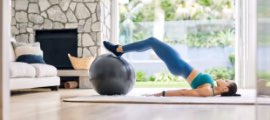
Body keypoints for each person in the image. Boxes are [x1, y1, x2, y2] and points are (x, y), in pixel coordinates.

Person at [103, 37, 240, 97]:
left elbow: (183, 92)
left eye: (227, 81)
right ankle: (120, 49)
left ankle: (119, 49)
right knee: (153, 42)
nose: (225, 78)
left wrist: (159, 94)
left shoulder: (207, 91)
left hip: (178, 66)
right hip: (180, 63)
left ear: (225, 88)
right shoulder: (212, 88)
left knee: (152, 41)